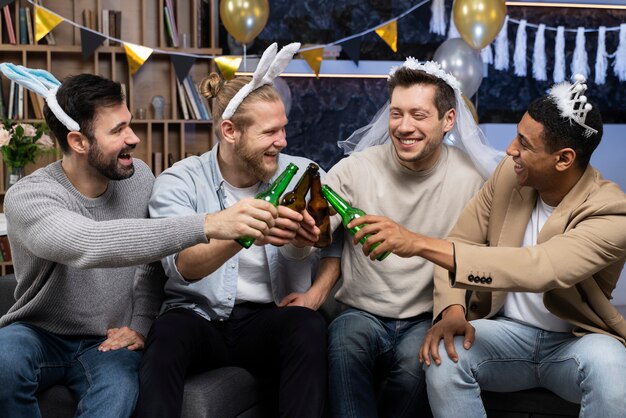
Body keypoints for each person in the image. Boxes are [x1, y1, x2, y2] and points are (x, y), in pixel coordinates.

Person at [0, 65, 279, 418]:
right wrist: (208, 224)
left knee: (119, 395)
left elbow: (151, 265)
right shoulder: (28, 196)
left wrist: (141, 325)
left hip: (110, 340)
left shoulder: (139, 177)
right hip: (39, 333)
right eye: (118, 130)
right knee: (3, 361)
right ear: (78, 142)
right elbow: (89, 243)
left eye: (129, 123)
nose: (134, 138)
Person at [350, 75, 626, 417]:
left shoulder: (613, 211)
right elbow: (460, 241)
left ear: (564, 159)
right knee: (444, 355)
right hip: (505, 332)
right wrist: (452, 309)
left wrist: (418, 243)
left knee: (614, 369)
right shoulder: (509, 174)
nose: (511, 149)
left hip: (576, 342)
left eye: (524, 144)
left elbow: (539, 267)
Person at [291, 58, 503, 418]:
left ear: (447, 120)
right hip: (360, 311)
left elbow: (484, 260)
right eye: (396, 113)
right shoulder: (356, 169)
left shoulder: (472, 179)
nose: (404, 127)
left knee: (416, 367)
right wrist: (301, 234)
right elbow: (303, 242)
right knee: (344, 345)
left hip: (426, 316)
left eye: (418, 115)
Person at [134, 43, 328, 418]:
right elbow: (182, 267)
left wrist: (303, 246)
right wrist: (242, 235)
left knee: (308, 326)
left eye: (284, 129)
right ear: (230, 131)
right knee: (168, 335)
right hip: (199, 317)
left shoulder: (303, 173)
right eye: (270, 132)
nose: (283, 141)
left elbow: (331, 246)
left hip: (268, 318)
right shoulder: (180, 180)